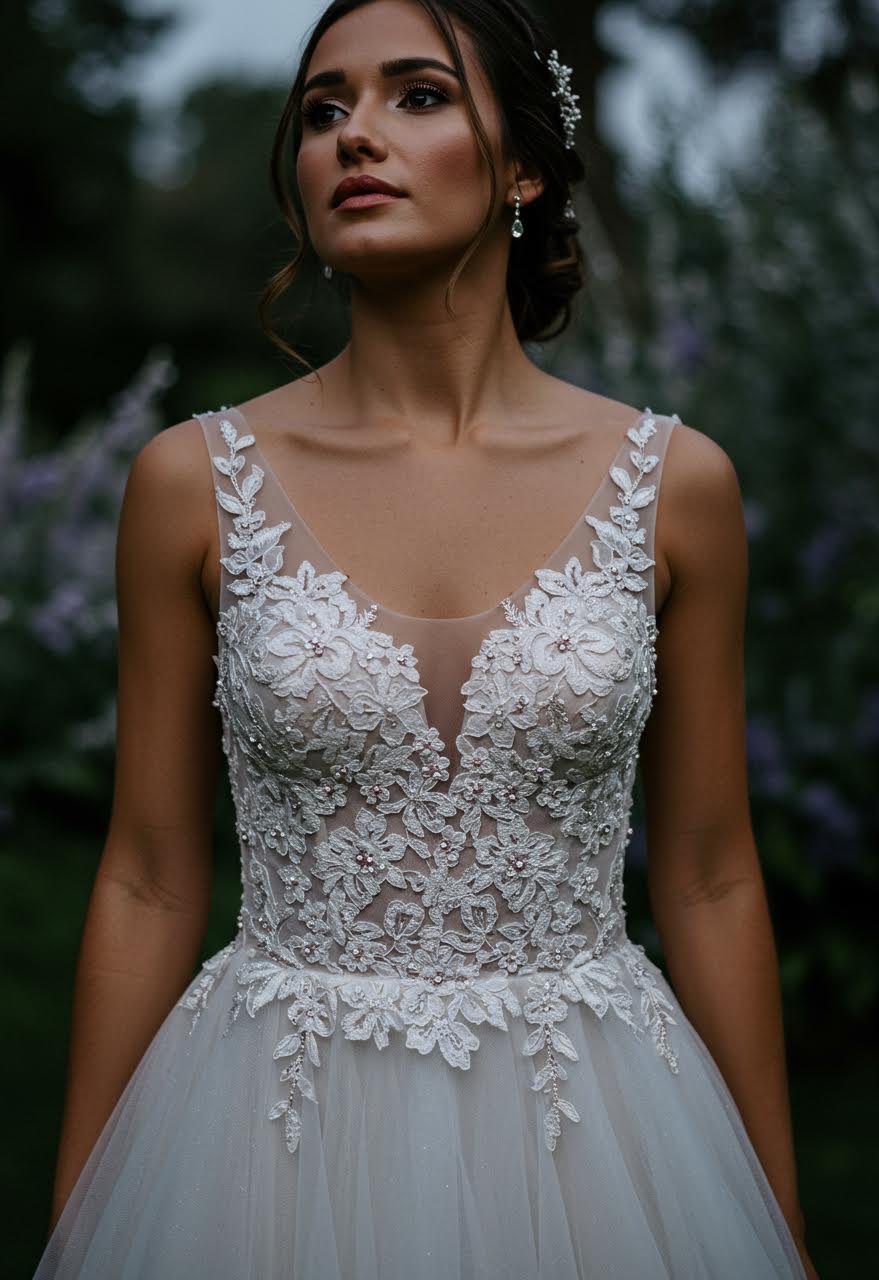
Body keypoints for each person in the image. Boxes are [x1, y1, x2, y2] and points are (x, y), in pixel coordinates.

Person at [34, 1, 818, 1276]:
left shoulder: (676, 484)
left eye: (415, 96)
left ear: (518, 165)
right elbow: (146, 877)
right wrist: (77, 1222)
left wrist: (776, 1219)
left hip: (602, 1131)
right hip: (267, 1127)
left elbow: (712, 873)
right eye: (322, 112)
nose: (353, 138)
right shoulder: (190, 482)